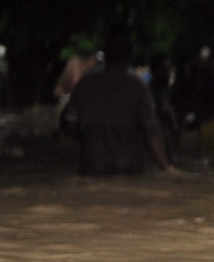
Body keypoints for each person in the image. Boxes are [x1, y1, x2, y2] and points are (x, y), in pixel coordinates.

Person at [59, 24, 173, 175]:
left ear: (105, 53)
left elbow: (69, 122)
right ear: (130, 53)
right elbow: (151, 130)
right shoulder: (138, 87)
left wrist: (84, 139)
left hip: (93, 164)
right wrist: (166, 168)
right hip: (128, 165)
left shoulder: (86, 84)